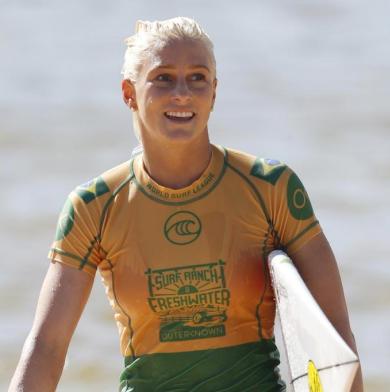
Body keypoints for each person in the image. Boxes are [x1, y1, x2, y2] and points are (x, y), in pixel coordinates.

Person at [9, 17, 363, 392]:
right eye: (163, 78)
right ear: (129, 93)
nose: (183, 92)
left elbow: (335, 338)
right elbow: (47, 346)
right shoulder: (93, 207)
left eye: (198, 78)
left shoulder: (270, 189)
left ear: (214, 92)